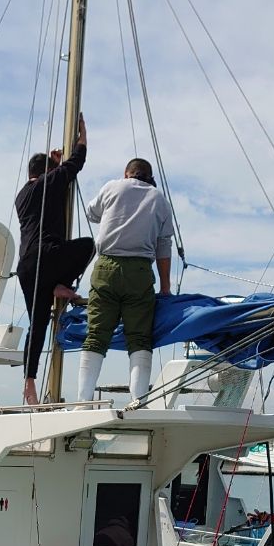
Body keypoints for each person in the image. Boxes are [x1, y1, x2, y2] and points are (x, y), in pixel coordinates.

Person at [75, 158, 173, 404]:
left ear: (127, 173)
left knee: (96, 335)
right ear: (150, 177)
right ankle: (138, 401)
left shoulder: (112, 187)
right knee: (139, 337)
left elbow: (91, 213)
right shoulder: (159, 199)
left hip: (106, 266)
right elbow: (164, 247)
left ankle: (83, 402)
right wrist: (165, 287)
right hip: (140, 271)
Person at [15, 113, 94, 406]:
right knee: (88, 245)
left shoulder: (23, 194)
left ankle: (29, 381)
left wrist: (53, 166)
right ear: (48, 171)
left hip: (26, 266)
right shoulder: (50, 182)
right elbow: (77, 164)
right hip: (49, 256)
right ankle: (61, 284)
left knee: (38, 323)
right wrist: (82, 138)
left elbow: (53, 178)